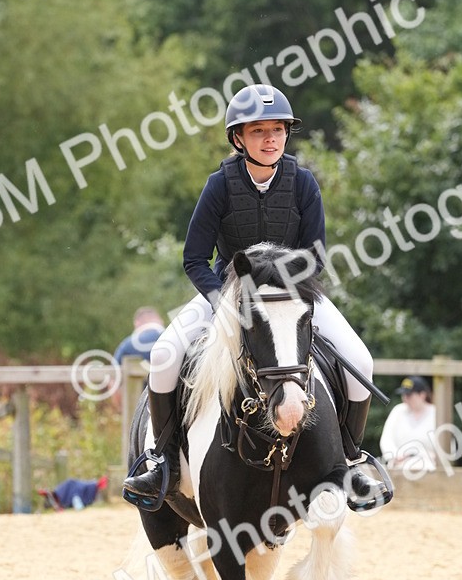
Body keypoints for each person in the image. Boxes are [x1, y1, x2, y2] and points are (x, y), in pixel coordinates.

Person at [123, 83, 376, 508]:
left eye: (277, 129)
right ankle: (160, 461)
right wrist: (221, 299)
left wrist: (288, 290)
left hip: (291, 299)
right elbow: (195, 259)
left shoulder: (303, 183)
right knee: (165, 354)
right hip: (228, 295)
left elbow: (314, 257)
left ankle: (350, 460)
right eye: (259, 131)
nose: (271, 139)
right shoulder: (220, 185)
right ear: (239, 138)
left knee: (361, 360)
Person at [379, 375, 437, 474]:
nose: (405, 398)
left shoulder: (435, 413)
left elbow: (446, 444)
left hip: (428, 467)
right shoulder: (398, 411)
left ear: (422, 395)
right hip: (399, 465)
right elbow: (386, 439)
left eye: (409, 395)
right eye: (404, 395)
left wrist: (436, 457)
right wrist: (395, 455)